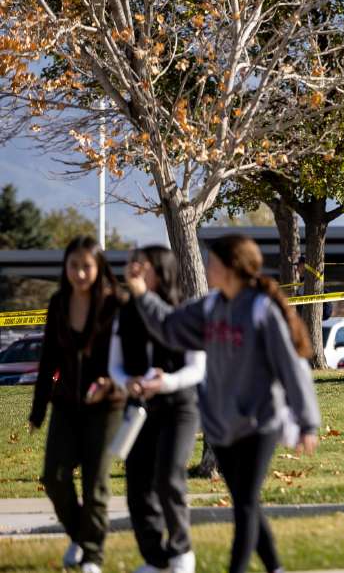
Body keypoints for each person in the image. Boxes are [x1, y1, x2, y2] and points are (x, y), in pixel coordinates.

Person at [127, 234, 320, 573]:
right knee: (247, 504)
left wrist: (307, 422)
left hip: (260, 423)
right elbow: (169, 327)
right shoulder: (211, 306)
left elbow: (291, 368)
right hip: (221, 426)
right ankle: (275, 567)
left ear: (231, 268)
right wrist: (142, 294)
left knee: (244, 504)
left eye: (212, 262)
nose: (206, 267)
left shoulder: (260, 309)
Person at [28, 236, 123, 573]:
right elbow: (48, 360)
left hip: (107, 404)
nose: (80, 273)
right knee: (54, 477)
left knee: (94, 484)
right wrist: (38, 410)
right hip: (67, 404)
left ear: (99, 268)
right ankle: (80, 536)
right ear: (65, 267)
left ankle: (93, 557)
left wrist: (111, 385)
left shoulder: (115, 304)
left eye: (86, 266)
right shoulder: (58, 303)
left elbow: (128, 359)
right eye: (73, 266)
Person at [109, 246, 204, 573]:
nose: (133, 270)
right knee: (137, 485)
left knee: (168, 477)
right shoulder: (126, 312)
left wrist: (165, 383)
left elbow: (197, 368)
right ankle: (156, 558)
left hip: (179, 406)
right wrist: (128, 382)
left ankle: (181, 552)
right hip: (141, 409)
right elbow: (115, 365)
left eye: (141, 265)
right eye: (130, 265)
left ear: (160, 271)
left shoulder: (184, 309)